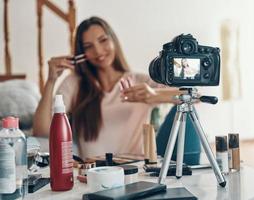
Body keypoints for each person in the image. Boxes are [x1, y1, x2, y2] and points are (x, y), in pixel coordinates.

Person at [33, 16, 181, 159]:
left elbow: (193, 96)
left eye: (103, 40)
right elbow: (42, 131)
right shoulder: (74, 84)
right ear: (81, 54)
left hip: (136, 172)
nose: (98, 51)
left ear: (113, 40)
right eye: (88, 47)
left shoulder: (140, 80)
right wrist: (51, 80)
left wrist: (153, 95)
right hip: (95, 175)